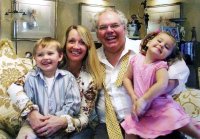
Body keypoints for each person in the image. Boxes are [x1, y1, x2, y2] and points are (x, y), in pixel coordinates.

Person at [93, 8, 190, 139]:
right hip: (109, 124)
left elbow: (181, 68)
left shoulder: (145, 48)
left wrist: (161, 86)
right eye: (103, 27)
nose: (109, 30)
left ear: (124, 28)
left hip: (150, 118)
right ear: (97, 34)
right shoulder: (92, 58)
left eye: (115, 25)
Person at [7, 25, 103, 138]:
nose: (76, 46)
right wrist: (31, 112)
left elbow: (84, 118)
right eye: (71, 41)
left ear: (87, 47)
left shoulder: (89, 79)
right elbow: (14, 88)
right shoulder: (45, 67)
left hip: (76, 127)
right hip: (40, 120)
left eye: (82, 42)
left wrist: (61, 121)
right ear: (65, 45)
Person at [121, 31, 200, 139]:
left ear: (167, 56)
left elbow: (162, 84)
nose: (162, 45)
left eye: (167, 47)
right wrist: (132, 95)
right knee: (130, 128)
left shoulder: (160, 66)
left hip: (159, 104)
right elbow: (126, 78)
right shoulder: (136, 59)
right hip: (139, 106)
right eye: (159, 41)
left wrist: (144, 99)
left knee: (177, 118)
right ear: (148, 42)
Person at [17, 37, 81, 138]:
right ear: (34, 58)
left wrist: (55, 119)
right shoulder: (31, 78)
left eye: (50, 53)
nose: (45, 57)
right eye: (40, 55)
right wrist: (40, 120)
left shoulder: (68, 78)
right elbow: (28, 102)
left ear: (60, 56)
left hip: (60, 124)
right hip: (35, 124)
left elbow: (73, 104)